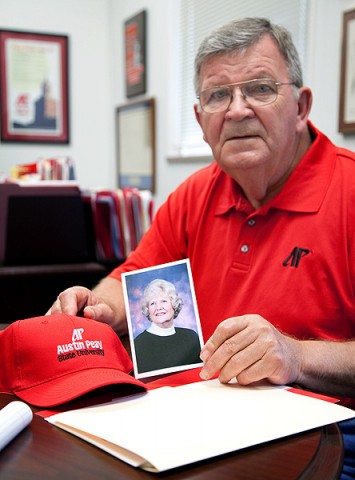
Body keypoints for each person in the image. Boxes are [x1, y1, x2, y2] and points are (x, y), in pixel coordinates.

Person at [47, 18, 355, 477]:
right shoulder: (193, 195)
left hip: (325, 441)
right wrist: (100, 307)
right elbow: (128, 278)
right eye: (218, 95)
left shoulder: (348, 190)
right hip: (199, 423)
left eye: (260, 88)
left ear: (301, 106)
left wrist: (298, 356)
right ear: (200, 121)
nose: (237, 110)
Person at [133, 279, 201, 374]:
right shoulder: (138, 345)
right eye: (153, 303)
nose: (159, 307)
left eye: (164, 301)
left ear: (174, 304)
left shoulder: (191, 337)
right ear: (148, 309)